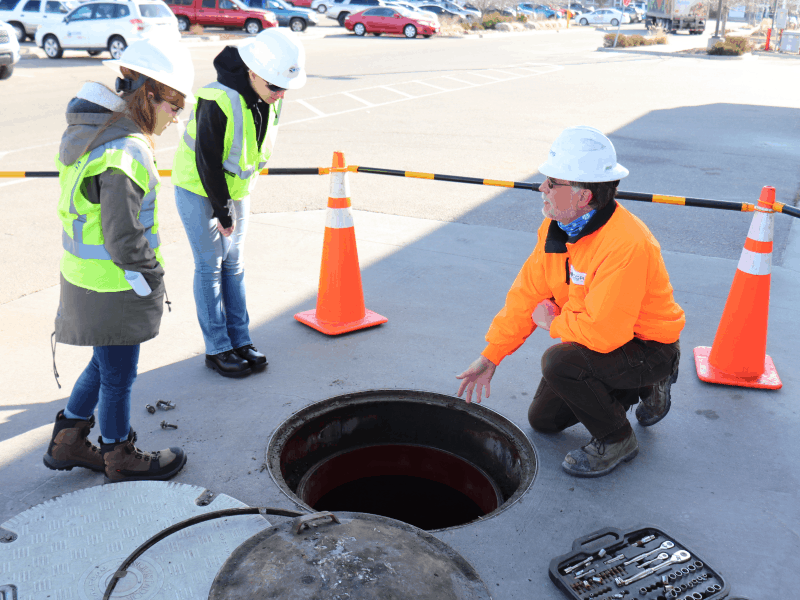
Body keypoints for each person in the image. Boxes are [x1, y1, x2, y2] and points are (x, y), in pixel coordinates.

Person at [456, 126, 685, 478]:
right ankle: (631, 387)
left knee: (561, 362)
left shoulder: (626, 244)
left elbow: (604, 334)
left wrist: (551, 323)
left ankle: (619, 438)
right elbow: (527, 294)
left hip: (647, 345)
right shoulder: (556, 229)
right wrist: (492, 354)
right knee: (543, 421)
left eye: (551, 182)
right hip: (598, 340)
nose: (541, 188)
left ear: (583, 196)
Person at [43, 40, 195, 483]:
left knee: (103, 363)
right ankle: (120, 457)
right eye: (173, 105)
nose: (175, 117)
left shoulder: (92, 130)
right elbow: (123, 236)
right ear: (147, 94)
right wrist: (151, 276)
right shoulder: (123, 150)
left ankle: (67, 441)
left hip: (85, 276)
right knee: (119, 376)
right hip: (115, 283)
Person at [172, 29, 306, 378]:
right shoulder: (218, 99)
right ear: (253, 72)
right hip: (199, 188)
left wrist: (235, 201)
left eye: (285, 88)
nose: (280, 95)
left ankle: (240, 340)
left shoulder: (270, 92)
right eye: (274, 87)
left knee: (234, 264)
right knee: (210, 266)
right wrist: (222, 211)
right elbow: (207, 161)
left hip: (237, 189)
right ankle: (218, 348)